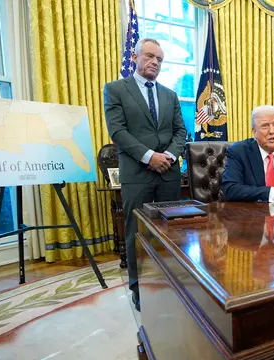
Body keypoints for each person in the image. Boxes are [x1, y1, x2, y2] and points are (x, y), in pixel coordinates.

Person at [103, 38, 187, 311]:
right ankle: (139, 288)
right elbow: (117, 131)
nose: (155, 62)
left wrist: (170, 156)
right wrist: (150, 156)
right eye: (150, 56)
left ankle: (166, 282)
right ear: (135, 57)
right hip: (137, 174)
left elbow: (180, 132)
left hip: (168, 174)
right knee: (136, 232)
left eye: (160, 59)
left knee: (167, 233)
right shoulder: (115, 89)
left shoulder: (170, 95)